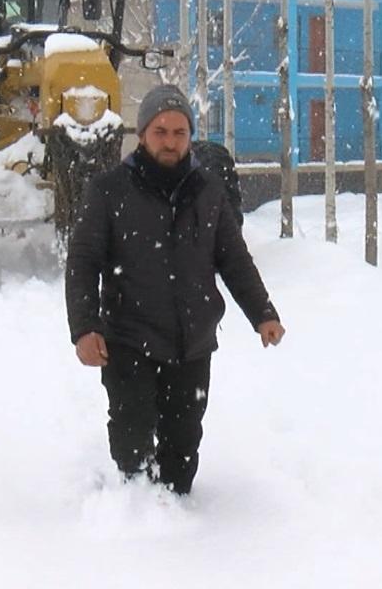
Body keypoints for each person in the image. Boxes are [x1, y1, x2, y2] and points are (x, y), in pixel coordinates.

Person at [65, 84, 286, 496]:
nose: (170, 141)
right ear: (143, 133)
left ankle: (179, 530)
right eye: (161, 132)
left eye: (179, 132)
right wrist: (84, 328)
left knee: (182, 457)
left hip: (193, 344)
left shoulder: (207, 190)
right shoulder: (110, 190)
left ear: (190, 136)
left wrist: (263, 313)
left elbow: (234, 259)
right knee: (132, 444)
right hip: (129, 341)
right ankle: (134, 523)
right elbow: (83, 262)